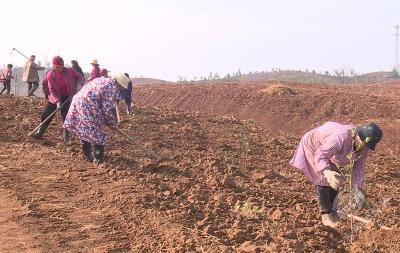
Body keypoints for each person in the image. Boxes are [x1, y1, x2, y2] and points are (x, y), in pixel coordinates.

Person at [289, 121, 382, 228]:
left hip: (329, 152)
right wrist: (327, 172)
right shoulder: (340, 138)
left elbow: (358, 167)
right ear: (357, 134)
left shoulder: (364, 147)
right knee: (323, 179)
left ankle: (333, 212)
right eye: (363, 143)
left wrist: (359, 190)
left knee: (337, 179)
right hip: (314, 146)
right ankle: (326, 216)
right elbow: (320, 155)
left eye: (367, 145)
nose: (363, 147)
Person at [63, 72, 130, 163]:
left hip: (78, 101)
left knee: (85, 128)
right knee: (97, 134)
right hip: (88, 105)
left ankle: (88, 154)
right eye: (122, 86)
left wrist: (110, 122)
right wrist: (112, 123)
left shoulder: (102, 79)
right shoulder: (112, 88)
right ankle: (98, 157)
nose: (122, 88)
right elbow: (106, 109)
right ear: (118, 83)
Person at [30, 56, 84, 144]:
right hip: (54, 96)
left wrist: (78, 85)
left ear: (63, 65)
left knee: (66, 116)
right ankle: (40, 132)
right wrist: (58, 101)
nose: (58, 68)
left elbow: (80, 77)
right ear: (53, 66)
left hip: (68, 96)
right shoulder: (50, 74)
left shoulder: (70, 71)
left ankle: (66, 137)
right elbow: (51, 89)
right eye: (56, 66)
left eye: (60, 66)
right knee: (46, 114)